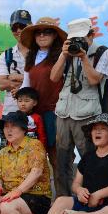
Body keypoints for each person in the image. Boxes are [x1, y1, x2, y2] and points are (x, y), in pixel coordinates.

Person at [51, 18, 108, 197]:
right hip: (63, 112)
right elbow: (54, 77)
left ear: (91, 35)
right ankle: (63, 200)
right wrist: (64, 55)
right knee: (62, 160)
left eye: (81, 38)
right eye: (74, 39)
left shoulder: (103, 53)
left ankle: (92, 199)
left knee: (90, 159)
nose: (77, 43)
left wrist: (84, 57)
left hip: (88, 115)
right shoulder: (66, 52)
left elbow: (95, 80)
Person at [19, 17, 65, 157]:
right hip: (34, 113)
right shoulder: (31, 56)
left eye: (47, 32)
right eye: (38, 33)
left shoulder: (63, 56)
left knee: (55, 154)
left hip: (54, 112)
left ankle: (60, 180)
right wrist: (21, 104)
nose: (42, 35)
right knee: (32, 154)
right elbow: (26, 84)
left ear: (55, 35)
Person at [0, 10, 32, 117]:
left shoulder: (40, 53)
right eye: (14, 27)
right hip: (11, 114)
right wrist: (29, 82)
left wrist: (17, 77)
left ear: (30, 27)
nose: (19, 30)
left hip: (36, 114)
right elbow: (1, 84)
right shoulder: (6, 55)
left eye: (22, 26)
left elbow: (43, 80)